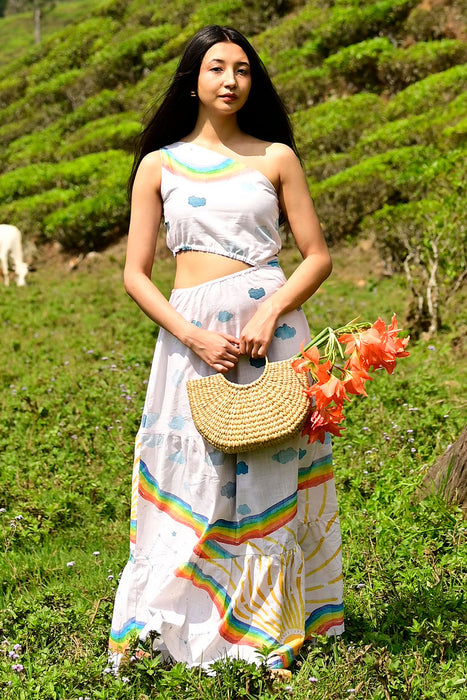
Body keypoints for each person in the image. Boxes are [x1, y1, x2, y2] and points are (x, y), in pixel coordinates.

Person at [109, 24, 344, 671]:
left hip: (271, 338)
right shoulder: (159, 163)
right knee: (195, 475)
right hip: (192, 340)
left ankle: (266, 632)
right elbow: (135, 272)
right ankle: (174, 630)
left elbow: (316, 256)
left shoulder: (275, 157)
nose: (230, 80)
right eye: (217, 68)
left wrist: (272, 308)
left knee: (271, 475)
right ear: (193, 79)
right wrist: (191, 334)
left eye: (241, 69)